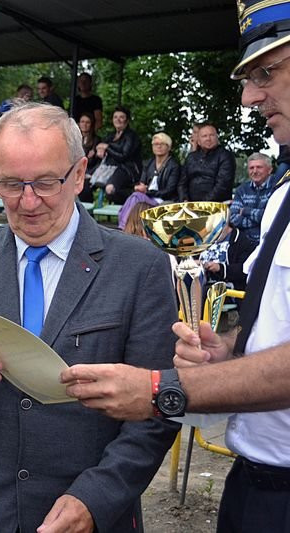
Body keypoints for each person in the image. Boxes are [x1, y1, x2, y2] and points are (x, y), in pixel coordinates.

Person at [60, 3, 290, 530]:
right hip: (257, 480)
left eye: (265, 72)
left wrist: (162, 390)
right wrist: (227, 354)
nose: (250, 97)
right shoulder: (283, 193)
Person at [0, 101, 179, 533]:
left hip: (86, 512)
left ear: (80, 173)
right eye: (10, 185)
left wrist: (97, 497)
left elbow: (159, 407)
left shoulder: (138, 266)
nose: (28, 202)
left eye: (46, 183)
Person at [94, 105, 142, 205]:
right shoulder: (111, 136)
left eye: (122, 117)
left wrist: (107, 148)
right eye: (115, 117)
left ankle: (134, 196)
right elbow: (102, 150)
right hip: (110, 169)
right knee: (85, 181)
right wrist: (99, 150)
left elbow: (123, 156)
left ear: (127, 120)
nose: (118, 120)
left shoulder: (131, 136)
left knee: (110, 189)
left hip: (127, 170)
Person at [178, 123, 235, 202]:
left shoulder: (225, 156)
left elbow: (222, 185)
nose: (208, 138)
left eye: (211, 135)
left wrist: (203, 203)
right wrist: (184, 199)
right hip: (190, 204)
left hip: (216, 204)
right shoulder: (191, 157)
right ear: (198, 141)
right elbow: (182, 183)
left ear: (217, 138)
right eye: (204, 136)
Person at [229, 152, 275, 245]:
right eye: (251, 168)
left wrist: (246, 211)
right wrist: (260, 220)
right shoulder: (242, 190)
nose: (254, 171)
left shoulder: (277, 188)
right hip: (245, 243)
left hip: (270, 242)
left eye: (259, 167)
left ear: (269, 170)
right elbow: (233, 218)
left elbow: (273, 218)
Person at [133, 132, 180, 203]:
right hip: (146, 197)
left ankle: (124, 214)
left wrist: (148, 192)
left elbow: (169, 191)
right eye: (156, 144)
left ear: (169, 147)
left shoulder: (174, 166)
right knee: (136, 196)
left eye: (162, 144)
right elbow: (142, 183)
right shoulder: (148, 163)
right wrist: (139, 188)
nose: (158, 146)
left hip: (164, 200)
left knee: (136, 198)